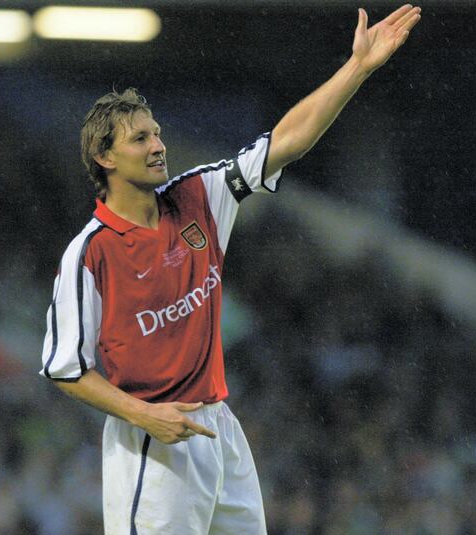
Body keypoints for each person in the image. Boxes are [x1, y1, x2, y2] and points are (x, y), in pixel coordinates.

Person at [40, 5, 421, 534]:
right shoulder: (90, 252)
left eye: (157, 133)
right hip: (154, 438)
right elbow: (65, 368)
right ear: (104, 158)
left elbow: (286, 142)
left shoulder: (200, 195)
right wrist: (145, 416)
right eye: (140, 139)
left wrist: (356, 68)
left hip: (220, 428)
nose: (158, 145)